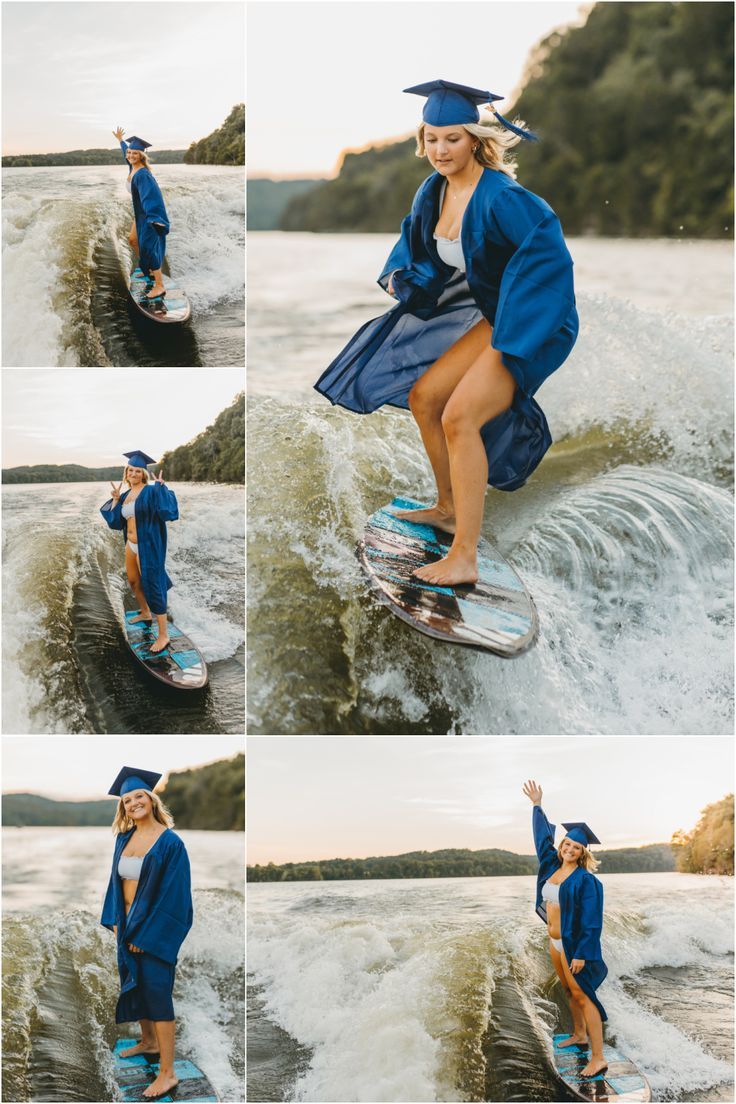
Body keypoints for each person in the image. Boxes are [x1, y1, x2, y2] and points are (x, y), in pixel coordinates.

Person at [315, 79, 578, 586]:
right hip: (496, 314)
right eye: (431, 138)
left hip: (535, 320)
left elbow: (550, 259)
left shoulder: (503, 198)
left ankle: (464, 557)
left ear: (475, 140)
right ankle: (449, 507)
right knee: (425, 397)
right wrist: (408, 280)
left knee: (460, 417)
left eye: (452, 139)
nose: (440, 150)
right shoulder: (434, 191)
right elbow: (418, 247)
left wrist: (512, 338)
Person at [101, 766, 193, 1101]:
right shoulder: (123, 838)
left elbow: (176, 896)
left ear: (151, 800)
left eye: (139, 796)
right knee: (133, 984)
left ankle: (167, 1073)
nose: (133, 803)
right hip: (125, 928)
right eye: (127, 800)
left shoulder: (171, 844)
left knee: (157, 996)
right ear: (123, 807)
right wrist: (114, 920)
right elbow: (115, 883)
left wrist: (147, 936)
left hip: (151, 933)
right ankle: (148, 1041)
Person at [522, 778, 608, 1079]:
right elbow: (540, 839)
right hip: (554, 943)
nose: (569, 848)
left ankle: (598, 1058)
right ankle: (579, 1035)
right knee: (569, 992)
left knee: (584, 995)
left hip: (574, 947)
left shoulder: (587, 881)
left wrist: (583, 953)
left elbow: (591, 922)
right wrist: (537, 805)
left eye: (576, 846)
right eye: (566, 844)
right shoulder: (550, 867)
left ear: (583, 851)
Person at [100, 450, 178, 655]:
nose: (133, 473)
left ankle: (163, 635)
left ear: (143, 473)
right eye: (130, 470)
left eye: (137, 471)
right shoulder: (125, 495)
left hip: (149, 544)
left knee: (153, 584)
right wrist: (116, 500)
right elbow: (116, 522)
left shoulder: (151, 491)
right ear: (126, 473)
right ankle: (145, 613)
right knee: (134, 581)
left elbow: (167, 512)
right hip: (131, 544)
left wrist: (162, 488)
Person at [112, 127, 170, 302]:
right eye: (129, 153)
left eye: (134, 153)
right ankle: (149, 270)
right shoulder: (132, 167)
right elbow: (126, 153)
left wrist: (155, 218)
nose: (130, 155)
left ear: (141, 156)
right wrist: (121, 141)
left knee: (147, 246)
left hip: (150, 217)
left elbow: (151, 196)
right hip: (141, 214)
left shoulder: (143, 175)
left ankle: (159, 285)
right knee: (133, 240)